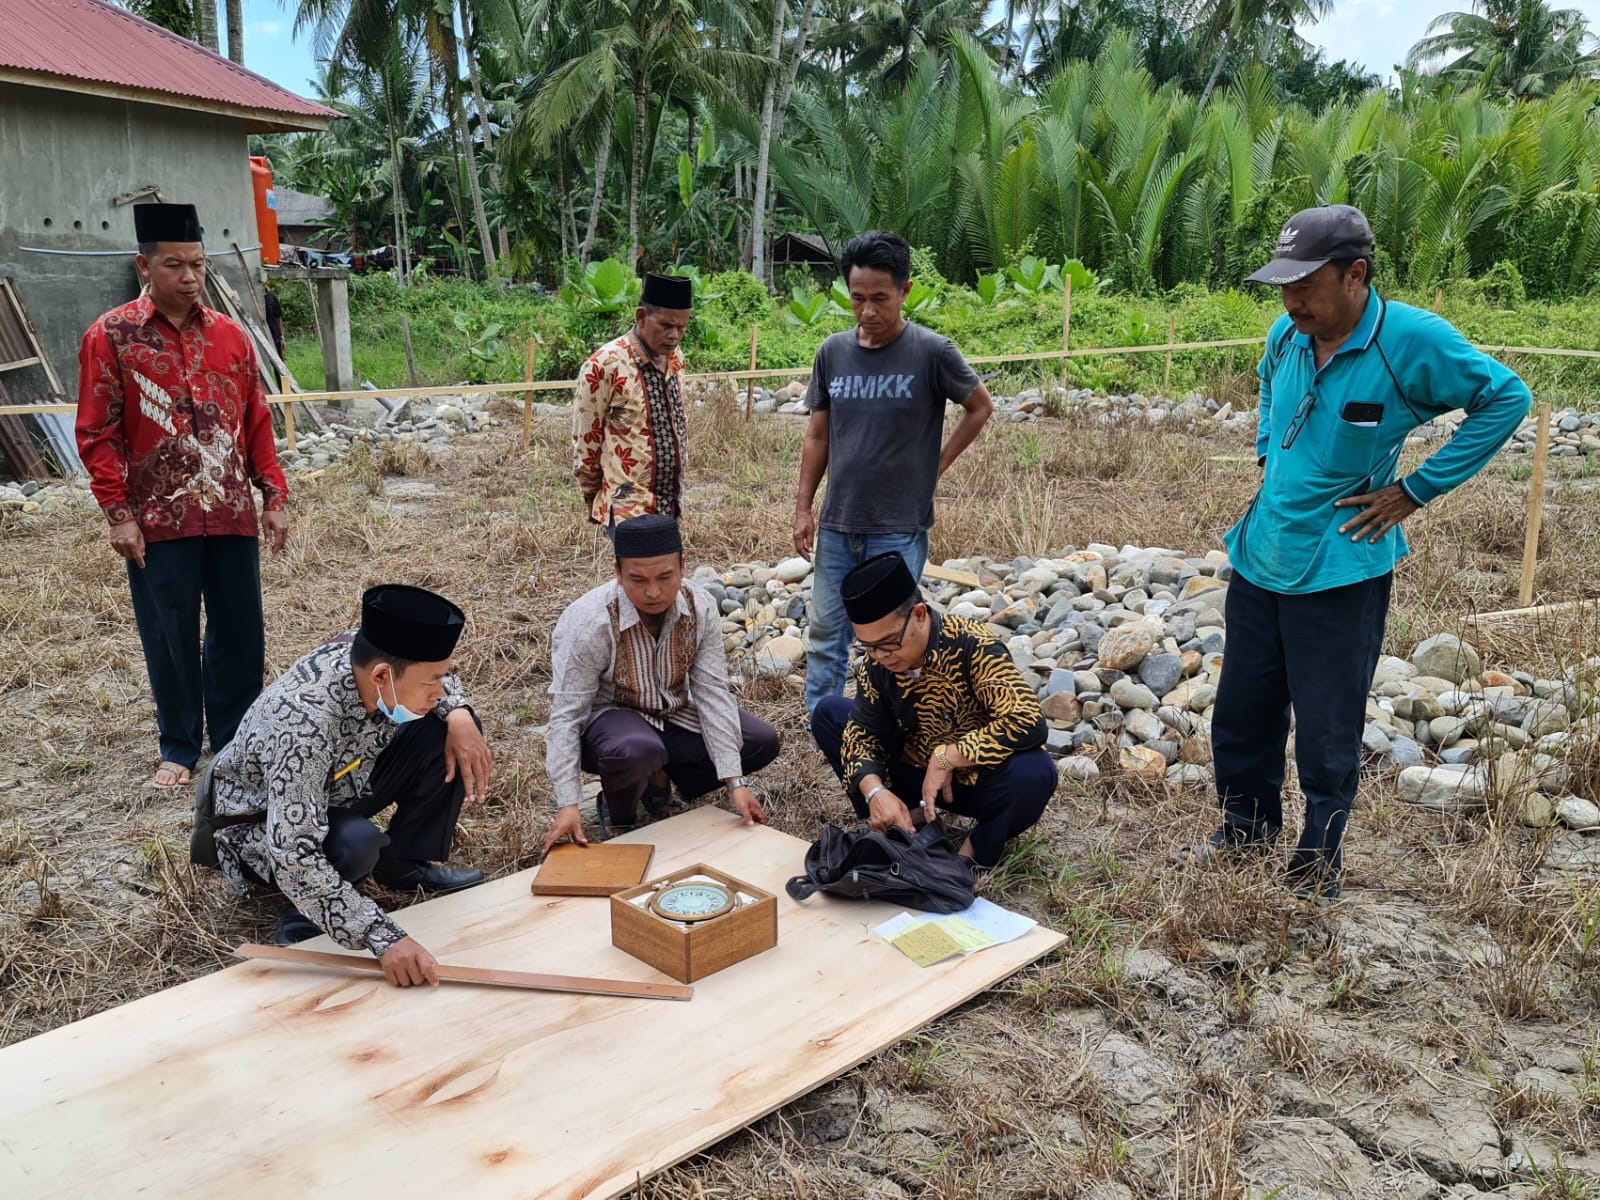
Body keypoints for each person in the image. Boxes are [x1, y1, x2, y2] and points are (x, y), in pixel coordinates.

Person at [1179, 204, 1532, 901]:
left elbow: (1506, 397)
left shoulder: (1408, 341)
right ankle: (1244, 832)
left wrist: (1416, 489)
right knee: (1242, 713)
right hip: (1262, 554)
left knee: (1327, 725)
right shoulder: (1289, 332)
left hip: (1341, 566)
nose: (1290, 300)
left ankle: (1317, 860)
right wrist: (1267, 448)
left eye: (1305, 284)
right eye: (1283, 286)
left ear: (1356, 275)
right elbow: (1267, 386)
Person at [75, 203, 289, 789]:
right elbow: (97, 432)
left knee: (240, 629)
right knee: (169, 632)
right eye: (175, 265)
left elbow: (256, 420)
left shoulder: (231, 337)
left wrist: (274, 496)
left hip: (228, 512)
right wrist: (118, 514)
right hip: (157, 519)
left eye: (197, 263)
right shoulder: (111, 336)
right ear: (145, 265)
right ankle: (177, 745)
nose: (190, 276)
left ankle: (236, 742)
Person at [194, 585, 493, 977]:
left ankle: (402, 863)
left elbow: (434, 681)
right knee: (356, 842)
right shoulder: (302, 724)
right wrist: (382, 937)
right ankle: (304, 920)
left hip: (340, 780)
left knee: (445, 733)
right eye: (431, 683)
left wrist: (459, 714)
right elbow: (292, 850)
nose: (440, 691)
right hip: (261, 824)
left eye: (443, 678)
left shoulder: (366, 653)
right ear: (382, 676)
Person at [793, 231, 994, 713]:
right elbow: (818, 436)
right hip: (839, 523)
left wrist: (936, 466)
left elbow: (979, 407)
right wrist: (803, 507)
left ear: (905, 291)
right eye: (857, 298)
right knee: (825, 632)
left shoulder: (931, 351)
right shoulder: (832, 353)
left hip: (898, 526)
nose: (867, 312)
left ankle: (890, 724)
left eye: (879, 299)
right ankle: (825, 723)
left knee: (894, 639)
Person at [542, 514, 780, 851]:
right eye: (637, 579)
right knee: (637, 750)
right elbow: (567, 714)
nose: (653, 592)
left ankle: (659, 782)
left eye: (665, 577)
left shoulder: (701, 607)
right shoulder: (590, 622)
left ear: (683, 565)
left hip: (671, 712)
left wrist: (734, 782)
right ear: (618, 572)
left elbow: (712, 692)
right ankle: (618, 808)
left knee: (759, 741)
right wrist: (568, 803)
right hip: (609, 726)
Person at [810, 553, 1057, 870]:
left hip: (971, 779)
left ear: (921, 615)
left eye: (888, 643)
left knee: (1036, 772)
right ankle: (905, 819)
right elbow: (863, 733)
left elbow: (1027, 720)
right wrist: (874, 792)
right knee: (830, 713)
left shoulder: (974, 645)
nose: (881, 656)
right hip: (912, 772)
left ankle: (969, 859)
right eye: (868, 646)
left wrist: (948, 758)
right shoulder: (876, 661)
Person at [572, 272, 693, 528]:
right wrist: (593, 497)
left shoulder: (676, 358)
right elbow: (587, 443)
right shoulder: (605, 364)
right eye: (666, 325)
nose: (675, 335)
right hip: (628, 508)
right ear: (641, 317)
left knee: (667, 569)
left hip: (670, 503)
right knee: (644, 569)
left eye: (681, 327)